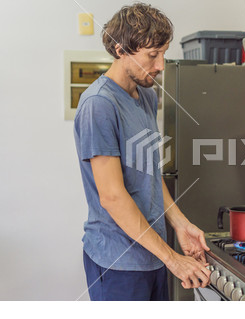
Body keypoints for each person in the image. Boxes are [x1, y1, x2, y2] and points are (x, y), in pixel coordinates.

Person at [73, 3, 211, 301]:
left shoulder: (147, 96)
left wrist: (180, 224)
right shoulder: (99, 104)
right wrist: (173, 258)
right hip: (118, 262)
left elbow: (149, 173)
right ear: (121, 50)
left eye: (163, 52)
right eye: (152, 55)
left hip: (152, 252)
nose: (161, 64)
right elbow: (111, 196)